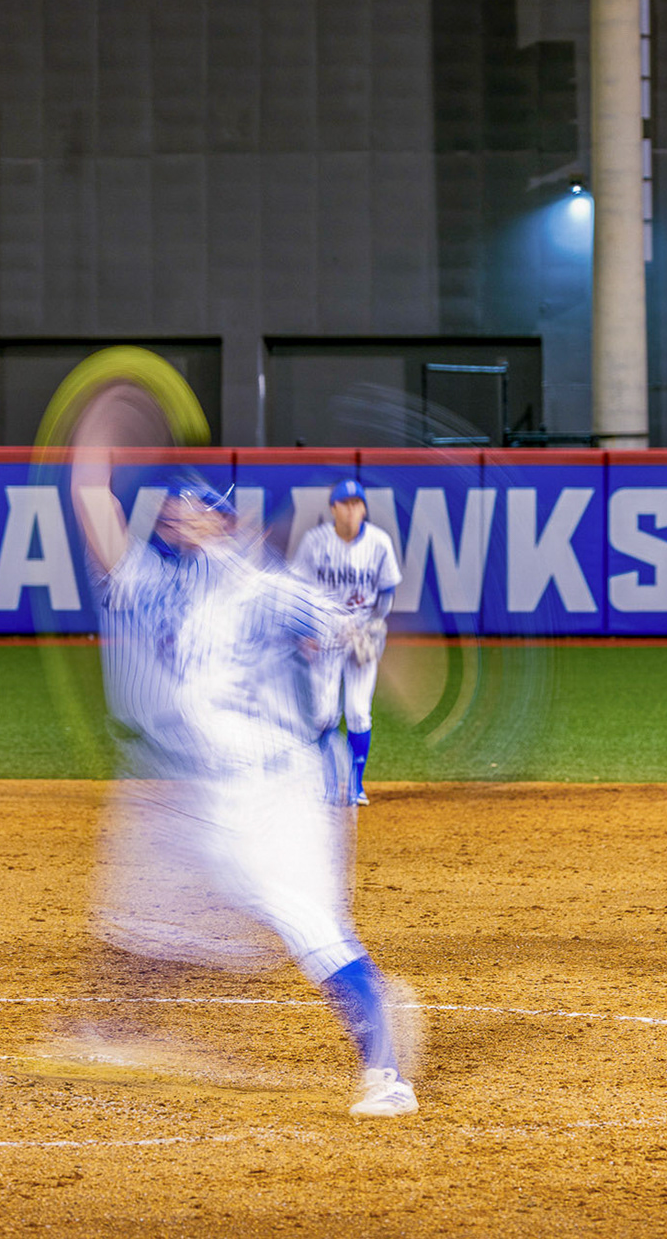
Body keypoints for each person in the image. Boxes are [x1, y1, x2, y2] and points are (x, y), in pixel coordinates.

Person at [69, 453, 418, 1117]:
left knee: (310, 923)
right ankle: (113, 1033)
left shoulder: (265, 587)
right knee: (154, 905)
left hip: (279, 794)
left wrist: (362, 646)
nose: (180, 516)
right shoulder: (165, 591)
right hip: (208, 794)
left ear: (226, 521)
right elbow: (105, 529)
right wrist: (90, 468)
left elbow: (346, 630)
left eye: (197, 507)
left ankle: (386, 1071)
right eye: (174, 509)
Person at [290, 479, 402, 806]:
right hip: (324, 633)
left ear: (364, 508)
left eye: (357, 503)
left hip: (361, 635)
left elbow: (387, 591)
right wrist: (304, 630)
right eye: (345, 503)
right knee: (323, 714)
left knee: (358, 711)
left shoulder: (379, 542)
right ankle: (328, 784)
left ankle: (354, 785)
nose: (352, 509)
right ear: (333, 508)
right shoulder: (314, 542)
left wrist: (375, 624)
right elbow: (299, 589)